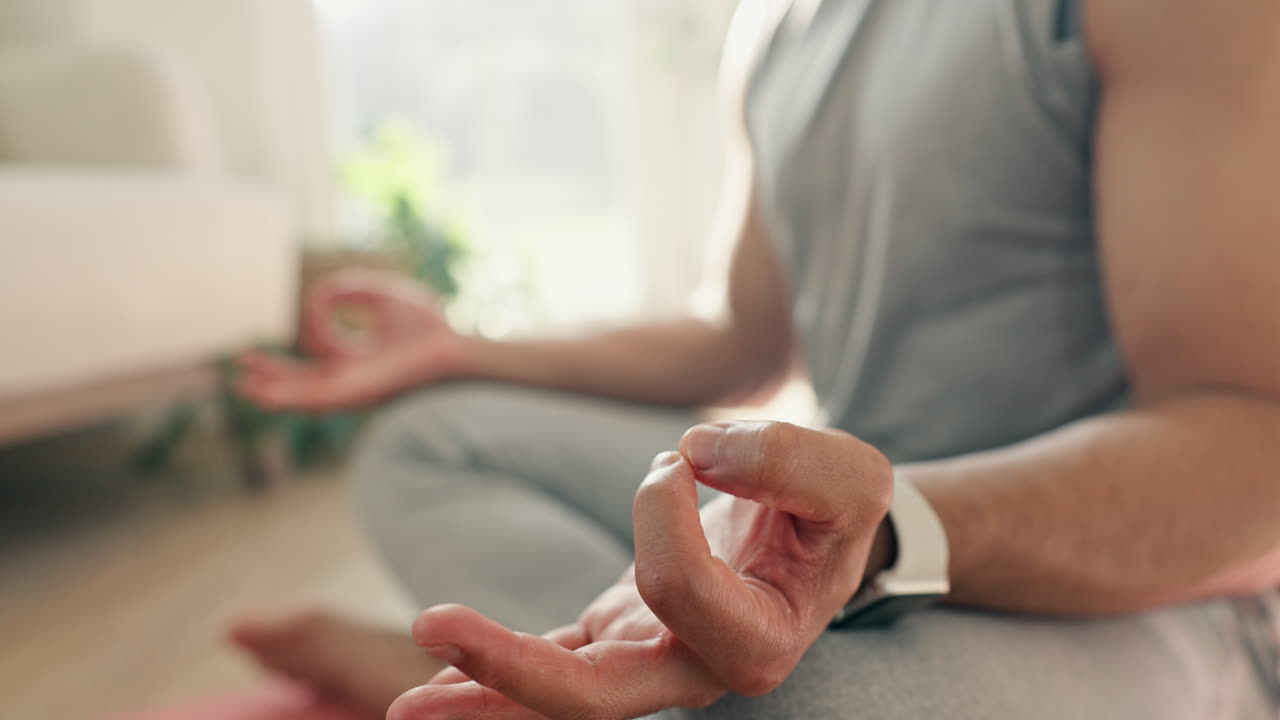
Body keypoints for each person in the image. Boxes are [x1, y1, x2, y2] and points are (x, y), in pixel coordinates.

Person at [231, 0, 1280, 717]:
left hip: (1146, 594)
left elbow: (1253, 449)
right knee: (432, 441)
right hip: (848, 533)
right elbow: (734, 339)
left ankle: (486, 678)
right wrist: (463, 348)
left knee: (786, 705)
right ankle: (571, 671)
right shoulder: (776, 23)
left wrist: (884, 533)